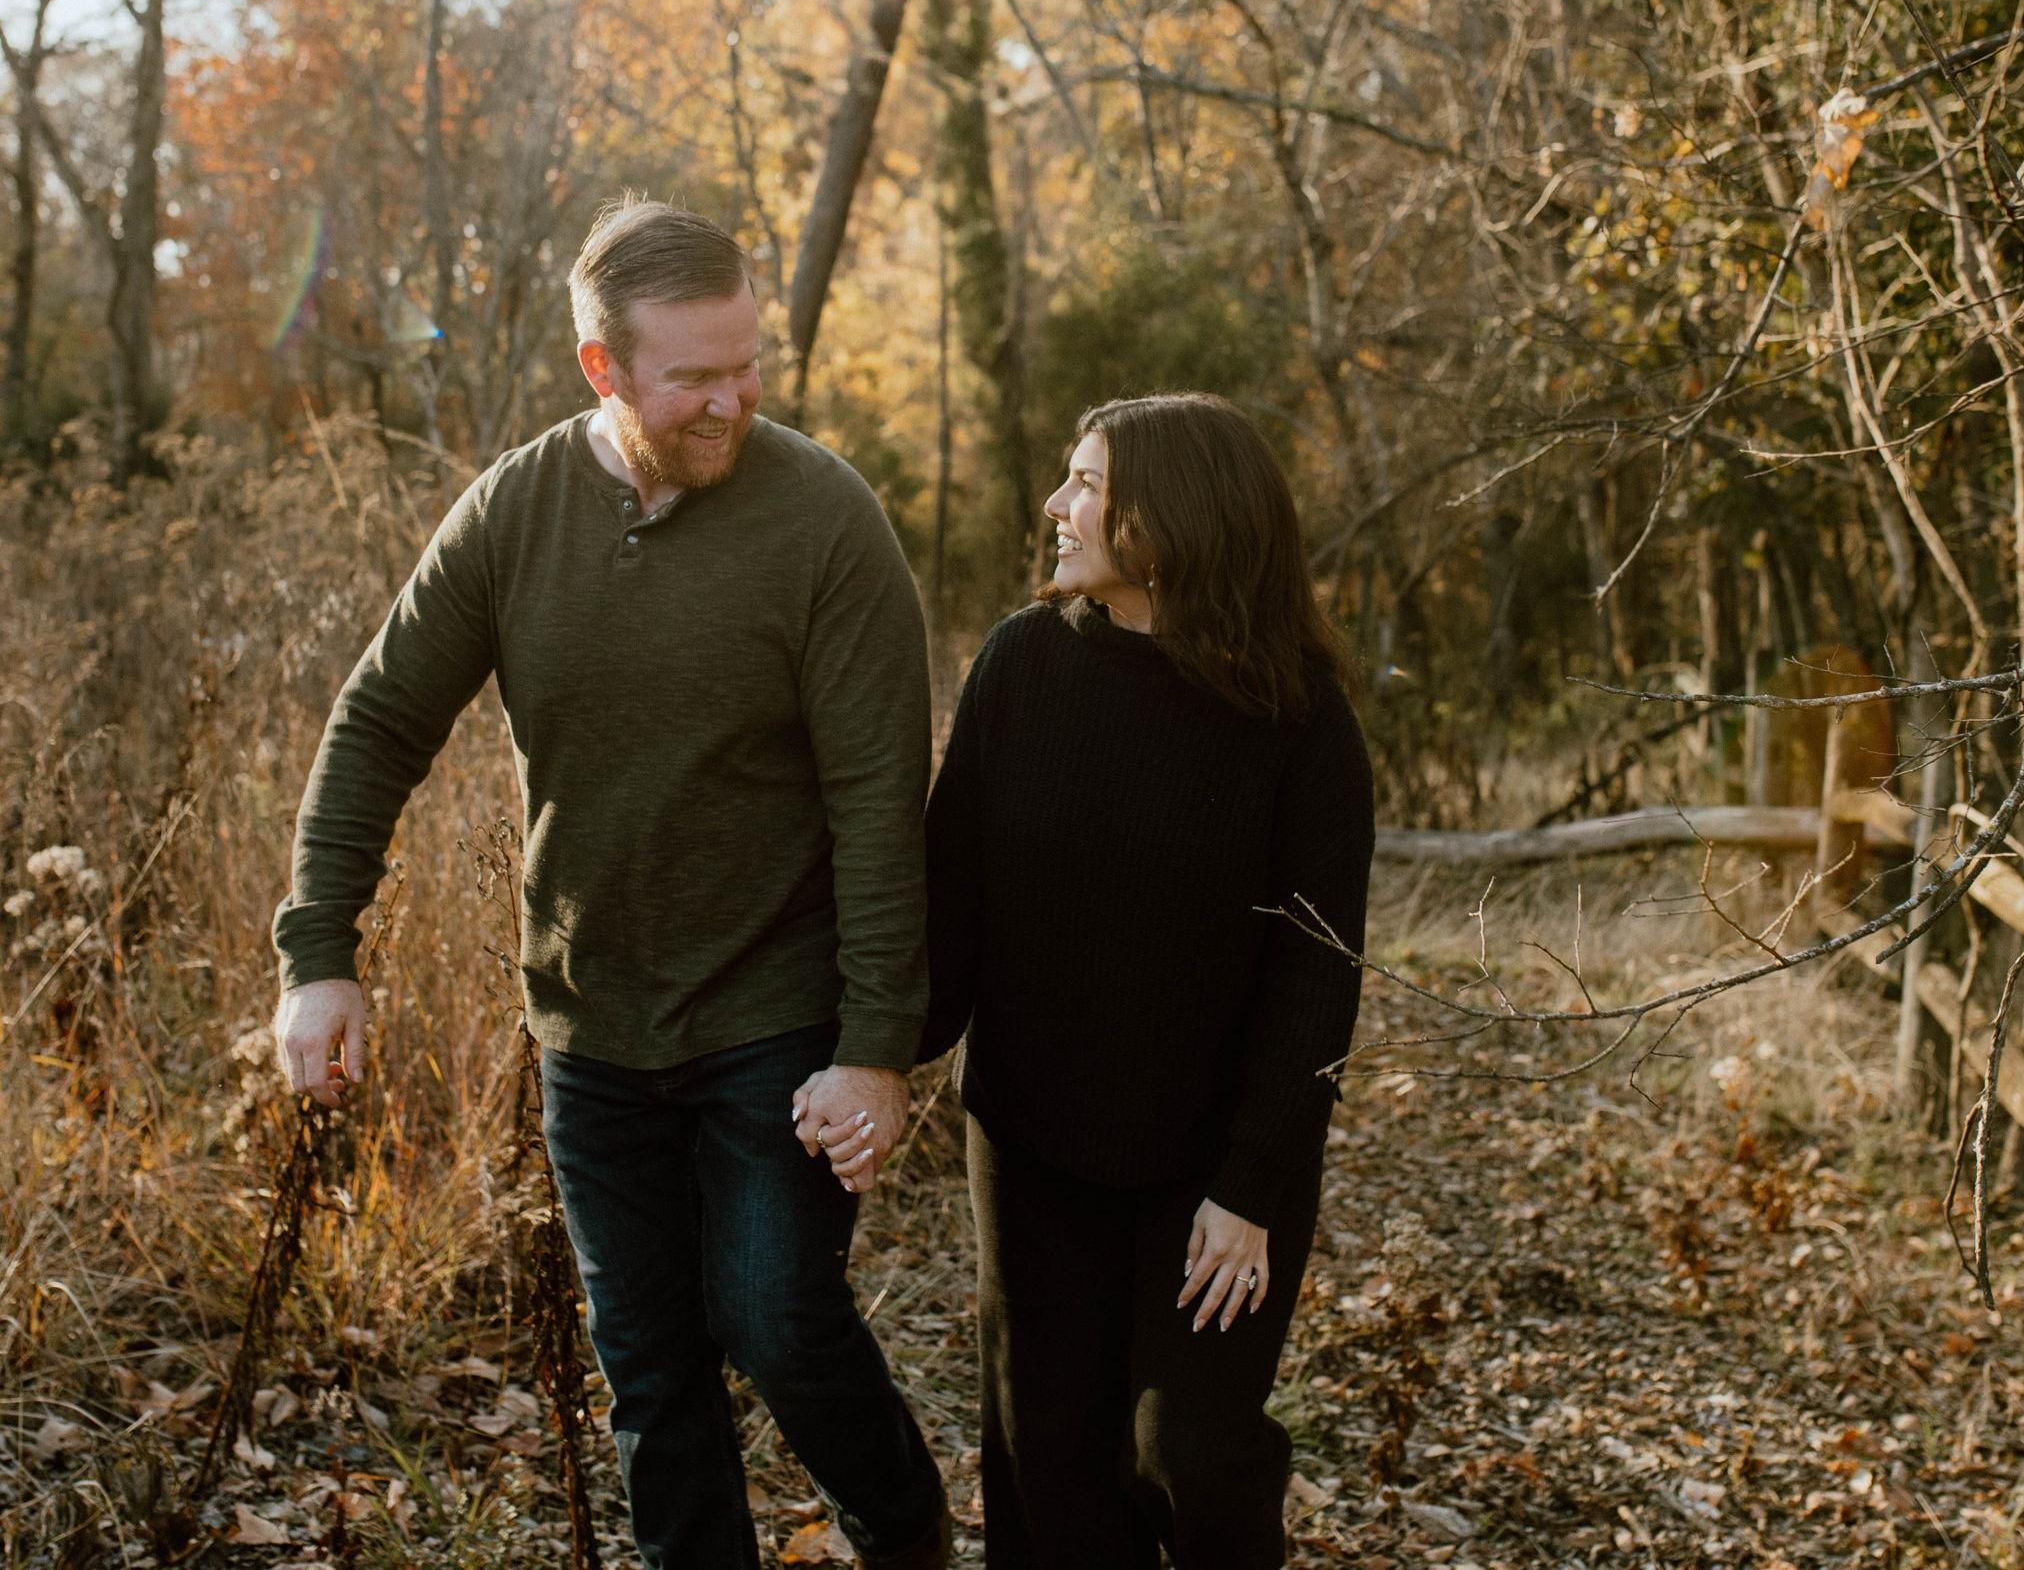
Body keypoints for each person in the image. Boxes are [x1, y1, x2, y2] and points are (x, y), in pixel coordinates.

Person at [271, 196, 952, 1570]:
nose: (732, 400)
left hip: (775, 1012)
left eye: (746, 363)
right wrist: (318, 954)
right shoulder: (514, 511)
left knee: (776, 1321)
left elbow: (882, 801)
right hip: (589, 1022)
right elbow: (380, 720)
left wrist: (878, 1047)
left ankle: (909, 1536)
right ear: (601, 367)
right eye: (693, 376)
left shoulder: (825, 520)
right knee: (649, 1370)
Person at [892, 393, 1372, 1570]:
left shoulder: (1298, 718)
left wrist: (1250, 1185)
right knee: (1047, 1463)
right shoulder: (1021, 662)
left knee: (1188, 1452)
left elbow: (1315, 979)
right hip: (1031, 1140)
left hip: (1213, 1165)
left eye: (1086, 484)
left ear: (1170, 518)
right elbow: (949, 905)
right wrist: (870, 1051)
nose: (1053, 504)